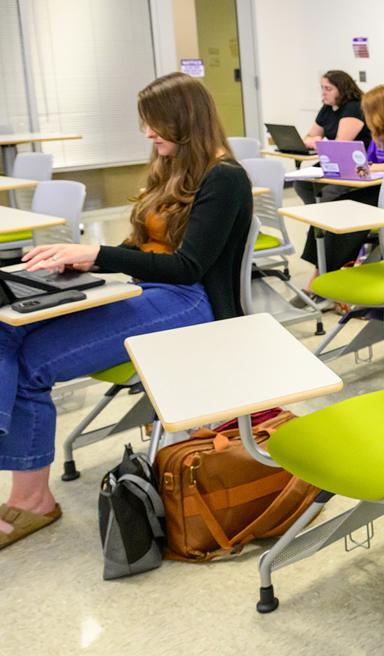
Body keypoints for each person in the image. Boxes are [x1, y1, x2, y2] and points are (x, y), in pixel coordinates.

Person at [0, 73, 252, 550]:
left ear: (185, 121)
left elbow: (186, 266)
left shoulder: (225, 178)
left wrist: (98, 257)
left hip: (187, 301)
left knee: (32, 363)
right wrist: (76, 263)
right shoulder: (173, 166)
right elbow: (141, 244)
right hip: (142, 287)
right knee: (7, 330)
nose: (148, 134)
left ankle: (31, 501)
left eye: (155, 125)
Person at [301, 83, 384, 277]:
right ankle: (319, 269)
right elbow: (367, 160)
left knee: (351, 214)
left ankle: (329, 273)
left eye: (369, 111)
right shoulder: (381, 129)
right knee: (332, 208)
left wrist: (367, 168)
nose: (366, 116)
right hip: (381, 188)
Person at [294, 70, 371, 206]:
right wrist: (314, 141)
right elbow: (309, 137)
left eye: (328, 89)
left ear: (342, 90)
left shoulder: (354, 107)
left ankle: (325, 226)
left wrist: (317, 143)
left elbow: (339, 146)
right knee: (301, 184)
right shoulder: (327, 108)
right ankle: (315, 223)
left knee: (330, 192)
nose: (323, 92)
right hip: (334, 162)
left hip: (354, 164)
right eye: (322, 88)